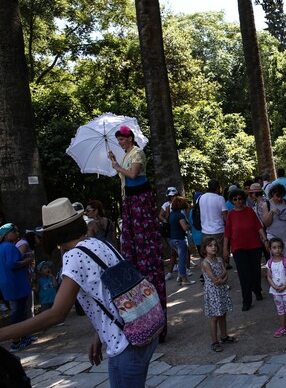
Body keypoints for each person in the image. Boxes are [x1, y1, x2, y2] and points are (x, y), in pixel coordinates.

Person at [0, 198, 158, 386]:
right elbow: (111, 293)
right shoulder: (99, 244)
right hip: (140, 329)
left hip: (127, 341)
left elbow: (57, 314)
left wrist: (3, 333)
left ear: (54, 233)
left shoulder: (74, 256)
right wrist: (99, 335)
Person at [108, 124, 167, 342]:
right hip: (130, 202)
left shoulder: (137, 152)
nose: (121, 143)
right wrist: (116, 161)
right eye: (119, 140)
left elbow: (132, 175)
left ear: (130, 137)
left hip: (140, 200)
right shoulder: (125, 156)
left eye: (122, 139)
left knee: (145, 250)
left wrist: (116, 166)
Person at [223, 189, 269, 311]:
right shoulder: (231, 214)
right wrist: (225, 249)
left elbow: (259, 226)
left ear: (243, 199)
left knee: (255, 271)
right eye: (235, 199)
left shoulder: (249, 211)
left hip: (254, 246)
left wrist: (265, 240)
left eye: (240, 198)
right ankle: (246, 300)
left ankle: (257, 290)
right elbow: (227, 233)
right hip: (238, 248)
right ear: (232, 201)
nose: (238, 201)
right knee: (244, 275)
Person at [0, 223, 35, 351]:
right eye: (14, 231)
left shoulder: (2, 247)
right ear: (6, 234)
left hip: (8, 283)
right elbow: (12, 264)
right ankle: (16, 342)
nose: (17, 233)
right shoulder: (9, 247)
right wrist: (27, 261)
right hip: (15, 283)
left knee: (20, 310)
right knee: (18, 312)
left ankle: (25, 336)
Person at [201, 237, 235, 353]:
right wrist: (223, 275)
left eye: (215, 245)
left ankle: (224, 336)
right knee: (214, 317)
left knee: (223, 314)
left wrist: (223, 278)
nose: (213, 247)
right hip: (212, 292)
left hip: (221, 291)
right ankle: (214, 341)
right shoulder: (205, 263)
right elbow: (215, 278)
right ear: (205, 248)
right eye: (210, 245)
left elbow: (225, 275)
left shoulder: (219, 259)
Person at [261, 184, 286, 280]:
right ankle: (278, 280)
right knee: (275, 259)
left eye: (281, 196)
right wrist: (271, 212)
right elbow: (266, 223)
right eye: (277, 196)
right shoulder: (267, 204)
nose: (279, 198)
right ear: (272, 193)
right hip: (273, 235)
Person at [265, 238, 286, 338]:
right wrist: (274, 286)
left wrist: (283, 287)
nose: (277, 250)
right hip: (276, 291)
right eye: (274, 247)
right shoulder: (269, 263)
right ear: (270, 249)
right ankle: (283, 327)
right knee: (280, 310)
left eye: (279, 247)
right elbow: (269, 276)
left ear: (282, 248)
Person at [200, 179, 229, 267]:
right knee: (219, 256)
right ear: (217, 188)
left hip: (205, 231)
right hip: (218, 230)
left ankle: (209, 275)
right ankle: (220, 274)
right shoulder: (220, 198)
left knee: (208, 255)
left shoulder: (202, 197)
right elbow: (225, 217)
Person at [168, 196, 195, 286]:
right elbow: (184, 227)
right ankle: (184, 279)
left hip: (172, 240)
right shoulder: (180, 215)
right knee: (182, 260)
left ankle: (180, 277)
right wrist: (190, 226)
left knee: (180, 259)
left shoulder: (171, 214)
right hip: (180, 240)